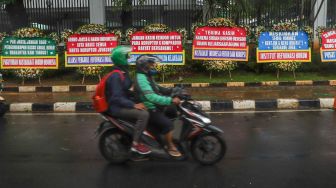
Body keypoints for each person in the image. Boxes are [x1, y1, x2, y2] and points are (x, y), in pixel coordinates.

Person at [106, 46, 151, 155]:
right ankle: (135, 144)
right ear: (121, 58)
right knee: (143, 115)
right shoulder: (116, 75)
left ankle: (141, 136)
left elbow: (129, 89)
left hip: (124, 104)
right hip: (117, 108)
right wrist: (133, 105)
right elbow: (116, 97)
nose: (128, 59)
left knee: (147, 107)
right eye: (127, 56)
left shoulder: (123, 72)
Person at [135, 54, 182, 157]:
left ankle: (161, 136)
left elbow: (158, 88)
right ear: (144, 66)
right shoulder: (141, 78)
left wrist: (173, 90)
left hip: (155, 106)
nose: (153, 66)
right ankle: (170, 146)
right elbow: (151, 97)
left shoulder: (147, 76)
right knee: (168, 125)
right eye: (151, 64)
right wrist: (170, 100)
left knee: (172, 112)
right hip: (150, 108)